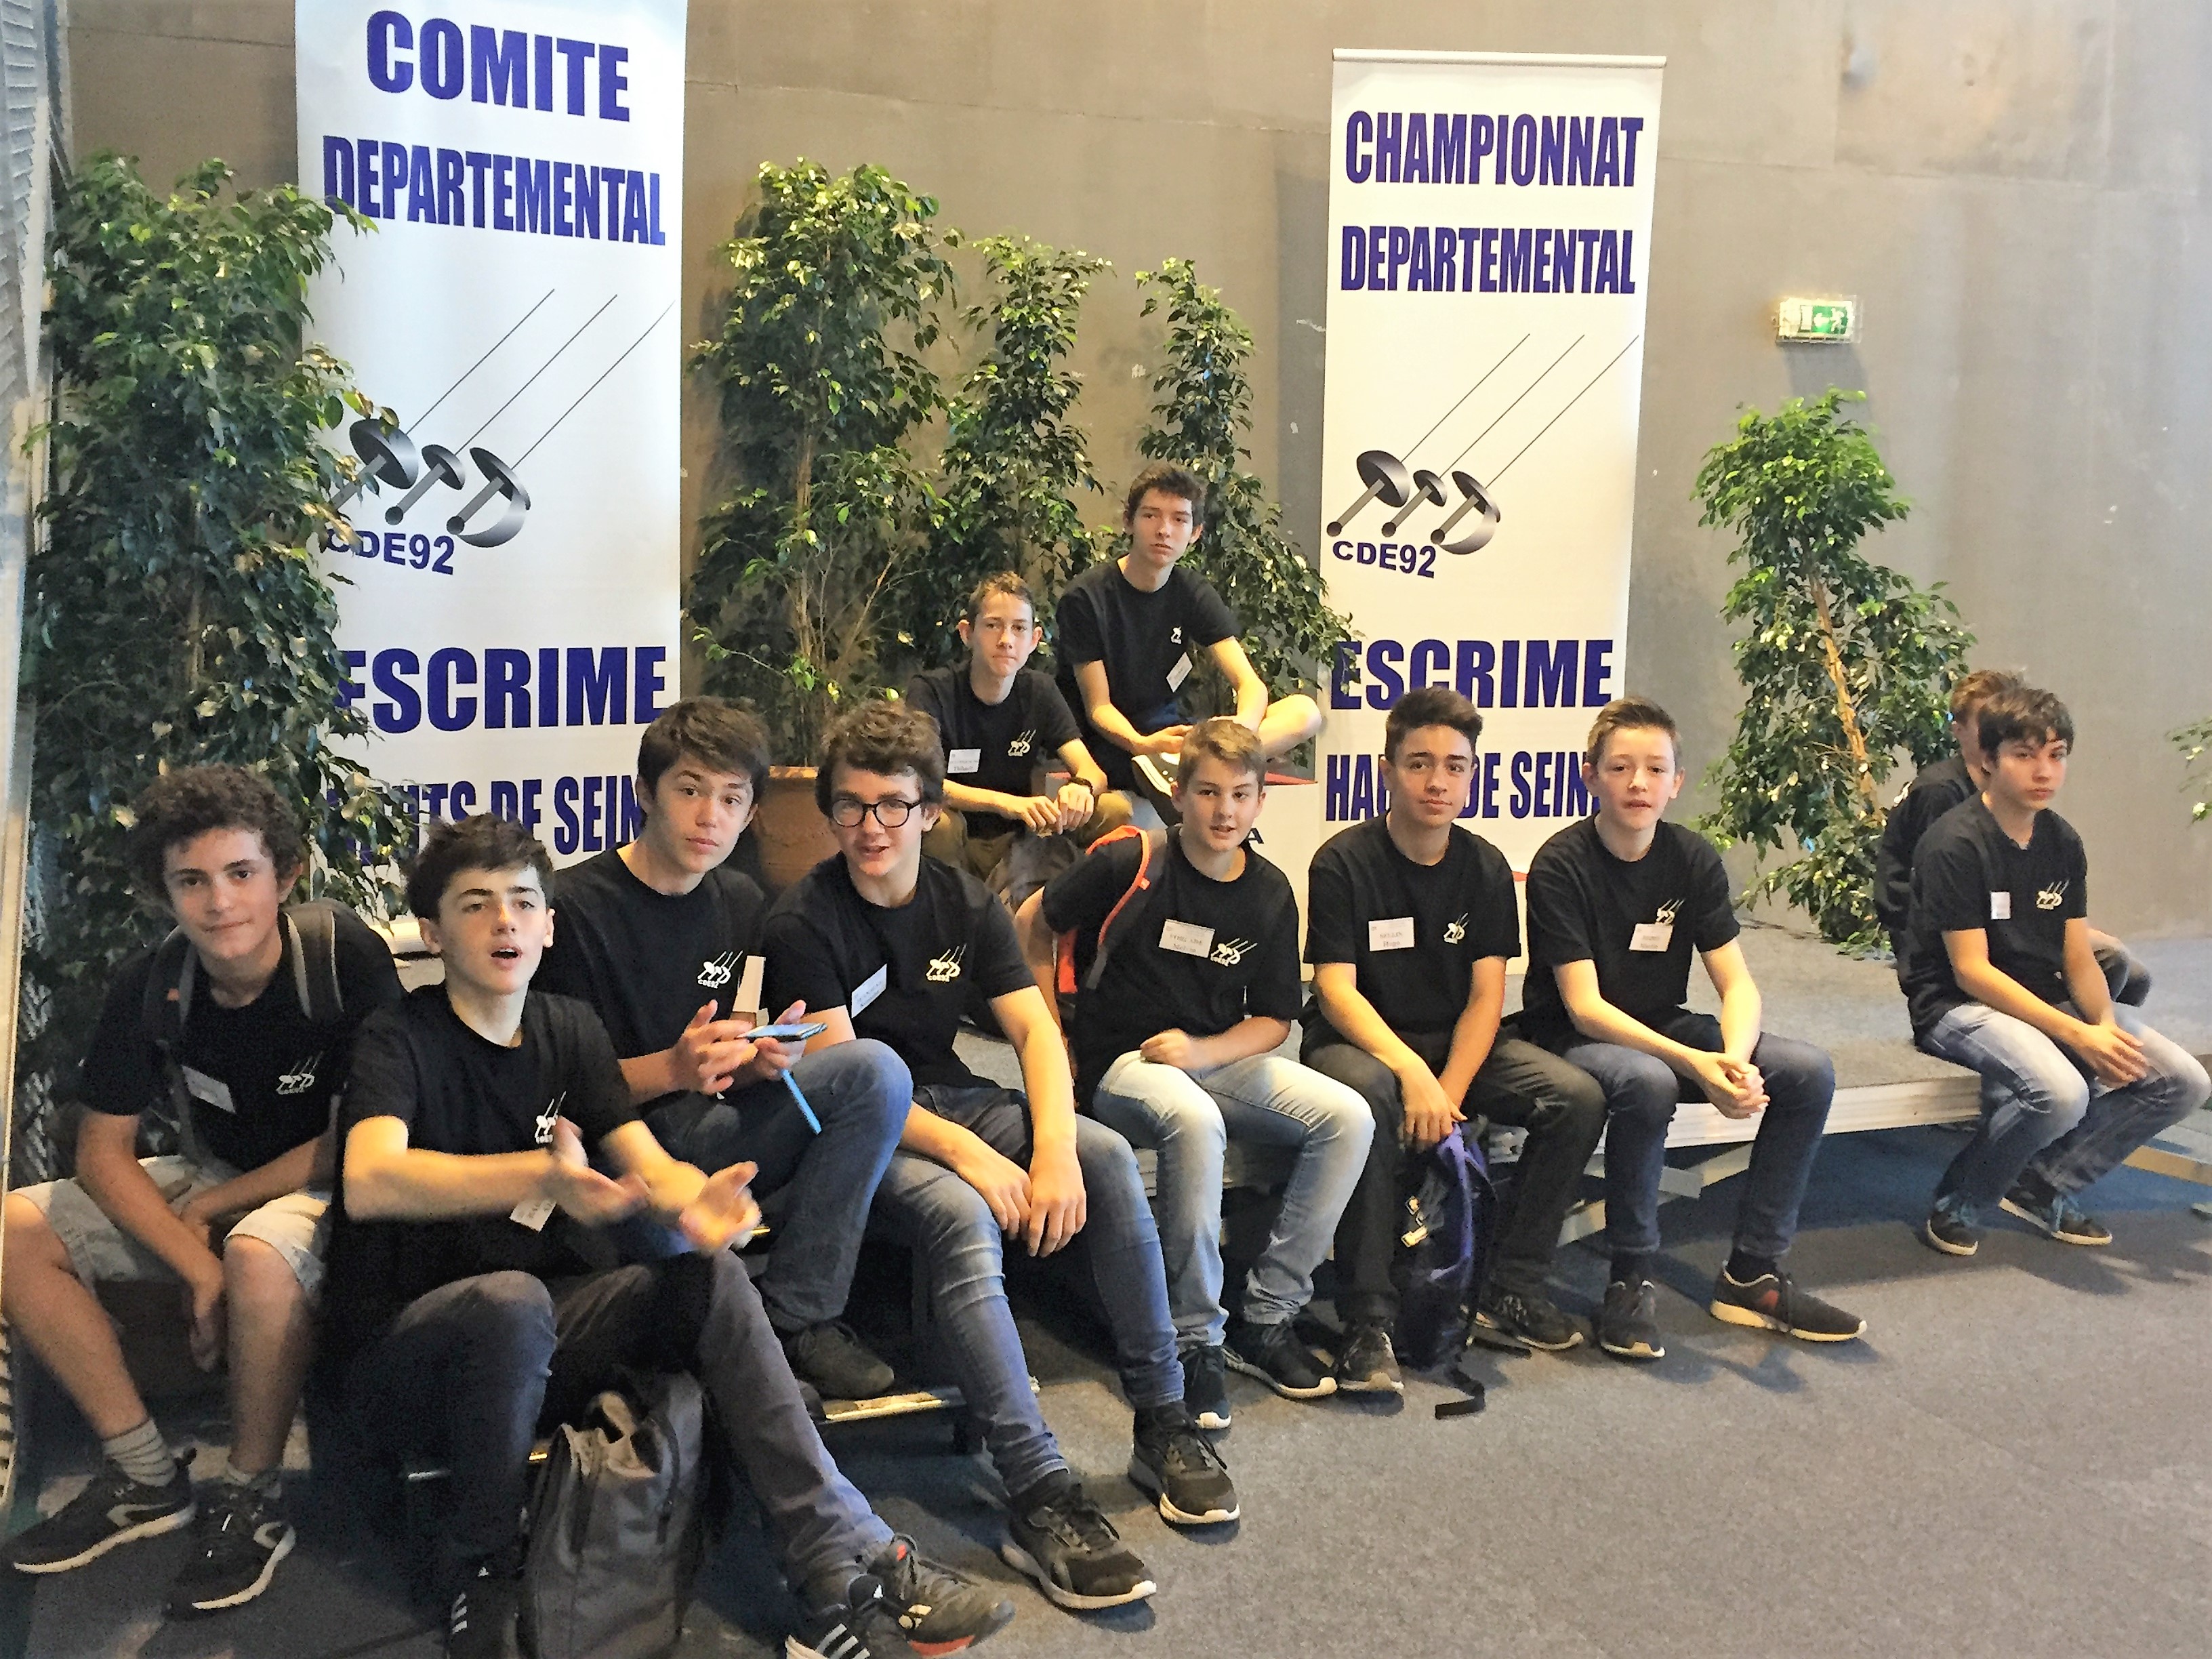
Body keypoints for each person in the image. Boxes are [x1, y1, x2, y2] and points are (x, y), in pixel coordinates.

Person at [322, 815, 1014, 1659]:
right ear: (432, 933)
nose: (505, 922)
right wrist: (537, 1175)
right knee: (512, 1302)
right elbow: (371, 1178)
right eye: (476, 905)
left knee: (710, 1280)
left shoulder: (569, 1027)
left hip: (540, 1331)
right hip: (412, 1352)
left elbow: (646, 1164)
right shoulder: (398, 1036)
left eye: (523, 903)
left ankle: (839, 1562)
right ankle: (482, 1564)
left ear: (548, 926)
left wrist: (697, 1204)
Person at [764, 701, 1235, 1616]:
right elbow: (853, 1084)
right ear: (830, 813)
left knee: (1104, 1158)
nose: (873, 826)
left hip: (956, 1096)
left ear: (931, 811)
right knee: (961, 1212)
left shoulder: (964, 903)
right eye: (852, 806)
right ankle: (1036, 1489)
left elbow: (1033, 1032)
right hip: (863, 1131)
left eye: (895, 805)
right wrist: (977, 1161)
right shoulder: (802, 922)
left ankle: (1165, 1417)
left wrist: (1053, 1149)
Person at [1, 766, 401, 1616]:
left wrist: (215, 1220)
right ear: (165, 893)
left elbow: (365, 1133)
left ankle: (252, 1496)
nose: (220, 903)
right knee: (13, 1229)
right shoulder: (151, 983)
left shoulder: (341, 958)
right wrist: (196, 1264)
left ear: (285, 876)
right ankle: (145, 1476)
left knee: (257, 1253)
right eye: (192, 881)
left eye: (240, 873)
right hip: (211, 1172)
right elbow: (102, 1152)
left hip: (325, 1180)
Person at [535, 697, 909, 1401]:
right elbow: (548, 1088)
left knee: (874, 1071)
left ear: (752, 813)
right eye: (690, 791)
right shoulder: (572, 909)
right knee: (689, 1272)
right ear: (645, 793)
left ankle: (799, 1316)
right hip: (617, 1153)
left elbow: (728, 1041)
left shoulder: (740, 899)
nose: (711, 817)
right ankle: (730, 1349)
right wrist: (671, 1069)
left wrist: (757, 1057)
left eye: (733, 799)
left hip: (710, 1123)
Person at [1021, 718, 1373, 1419]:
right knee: (1193, 1118)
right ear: (1179, 795)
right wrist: (1048, 1038)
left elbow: (1274, 1020)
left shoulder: (1270, 891)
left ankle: (1268, 1315)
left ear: (1261, 800)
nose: (1225, 811)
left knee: (1349, 1117)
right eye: (1208, 792)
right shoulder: (1133, 860)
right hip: (1122, 1064)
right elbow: (1032, 921)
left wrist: (1204, 1051)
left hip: (1209, 1059)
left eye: (1241, 795)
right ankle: (1194, 1338)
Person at [1520, 697, 1866, 1361]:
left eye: (1656, 769)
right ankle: (1629, 1279)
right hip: (1574, 1035)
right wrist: (1695, 1064)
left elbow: (1738, 985)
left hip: (1664, 1025)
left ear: (1677, 782)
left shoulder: (1691, 857)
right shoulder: (1562, 863)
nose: (1639, 783)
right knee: (1648, 1081)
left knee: (1806, 1072)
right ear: (1590, 776)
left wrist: (1733, 1061)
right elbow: (1585, 1008)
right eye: (1620, 768)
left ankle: (1753, 1274)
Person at [1303, 687, 1608, 1380]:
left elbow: (1486, 998)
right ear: (1387, 771)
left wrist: (1448, 1093)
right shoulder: (1342, 862)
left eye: (1455, 766)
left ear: (1473, 775)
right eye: (1419, 764)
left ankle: (1509, 1284)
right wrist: (1416, 1078)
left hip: (1456, 1044)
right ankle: (1369, 1320)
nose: (1437, 781)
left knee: (1576, 1097)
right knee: (1373, 1095)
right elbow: (1336, 992)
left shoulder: (1486, 866)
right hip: (1361, 1042)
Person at [1904, 687, 2209, 1256]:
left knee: (2184, 1081)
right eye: (2024, 755)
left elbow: (2076, 957)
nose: (2044, 771)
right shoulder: (1954, 843)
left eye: (2057, 755)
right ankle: (1961, 1198)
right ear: (1989, 760)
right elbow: (1971, 972)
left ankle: (2043, 1181)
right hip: (1957, 1006)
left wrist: (2104, 1027)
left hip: (2046, 998)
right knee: (2061, 1092)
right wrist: (2077, 1034)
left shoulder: (2062, 841)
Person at [1054, 462, 1323, 817]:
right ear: (1129, 522)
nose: (1164, 530)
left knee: (1304, 712)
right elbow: (1098, 708)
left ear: (1195, 532)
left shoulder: (1191, 590)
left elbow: (1250, 684)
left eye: (1179, 520)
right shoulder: (1086, 598)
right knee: (1151, 759)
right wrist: (1142, 744)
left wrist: (1238, 734)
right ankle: (1187, 768)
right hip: (1119, 746)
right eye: (1151, 516)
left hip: (1178, 741)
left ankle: (1199, 766)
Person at [1877, 667, 2150, 1002]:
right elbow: (1941, 896)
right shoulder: (1943, 798)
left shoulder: (2050, 828)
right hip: (1953, 933)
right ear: (1961, 732)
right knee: (2106, 964)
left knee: (2126, 970)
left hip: (2007, 921)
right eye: (1989, 722)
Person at [907, 572, 1128, 905]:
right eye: (993, 625)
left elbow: (1092, 771)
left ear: (1035, 639)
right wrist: (1006, 803)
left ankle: (1087, 921)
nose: (1006, 640)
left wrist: (1080, 788)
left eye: (1019, 628)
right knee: (938, 825)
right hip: (962, 830)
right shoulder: (931, 691)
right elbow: (921, 783)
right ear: (967, 633)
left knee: (1112, 808)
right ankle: (947, 919)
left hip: (1023, 836)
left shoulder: (1040, 690)